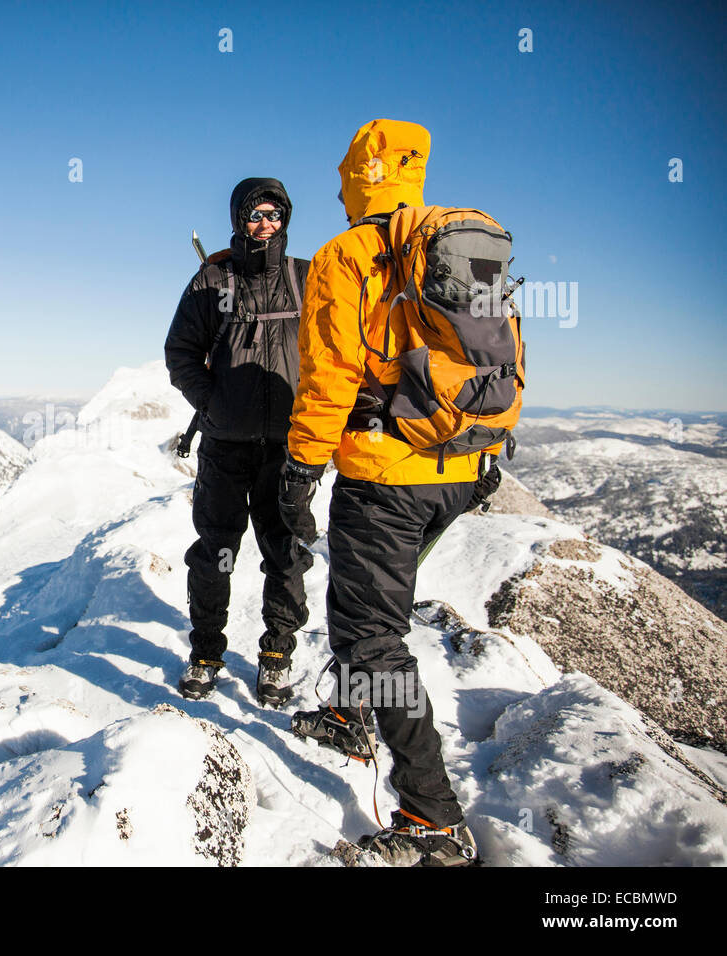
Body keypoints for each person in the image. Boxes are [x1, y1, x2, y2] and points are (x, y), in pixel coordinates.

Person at [280, 120, 501, 867]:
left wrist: (302, 464)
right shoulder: (450, 244)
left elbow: (330, 373)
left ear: (353, 177)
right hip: (461, 465)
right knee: (361, 606)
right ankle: (349, 714)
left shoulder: (347, 255)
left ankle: (433, 819)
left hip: (387, 473)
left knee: (375, 637)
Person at [164, 177, 315, 707]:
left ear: (286, 220)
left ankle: (276, 655)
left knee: (285, 555)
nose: (266, 223)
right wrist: (213, 405)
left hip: (288, 450)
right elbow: (181, 351)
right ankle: (206, 653)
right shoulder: (212, 281)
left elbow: (336, 350)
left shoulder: (307, 277)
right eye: (256, 214)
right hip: (225, 445)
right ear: (239, 218)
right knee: (216, 553)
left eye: (275, 214)